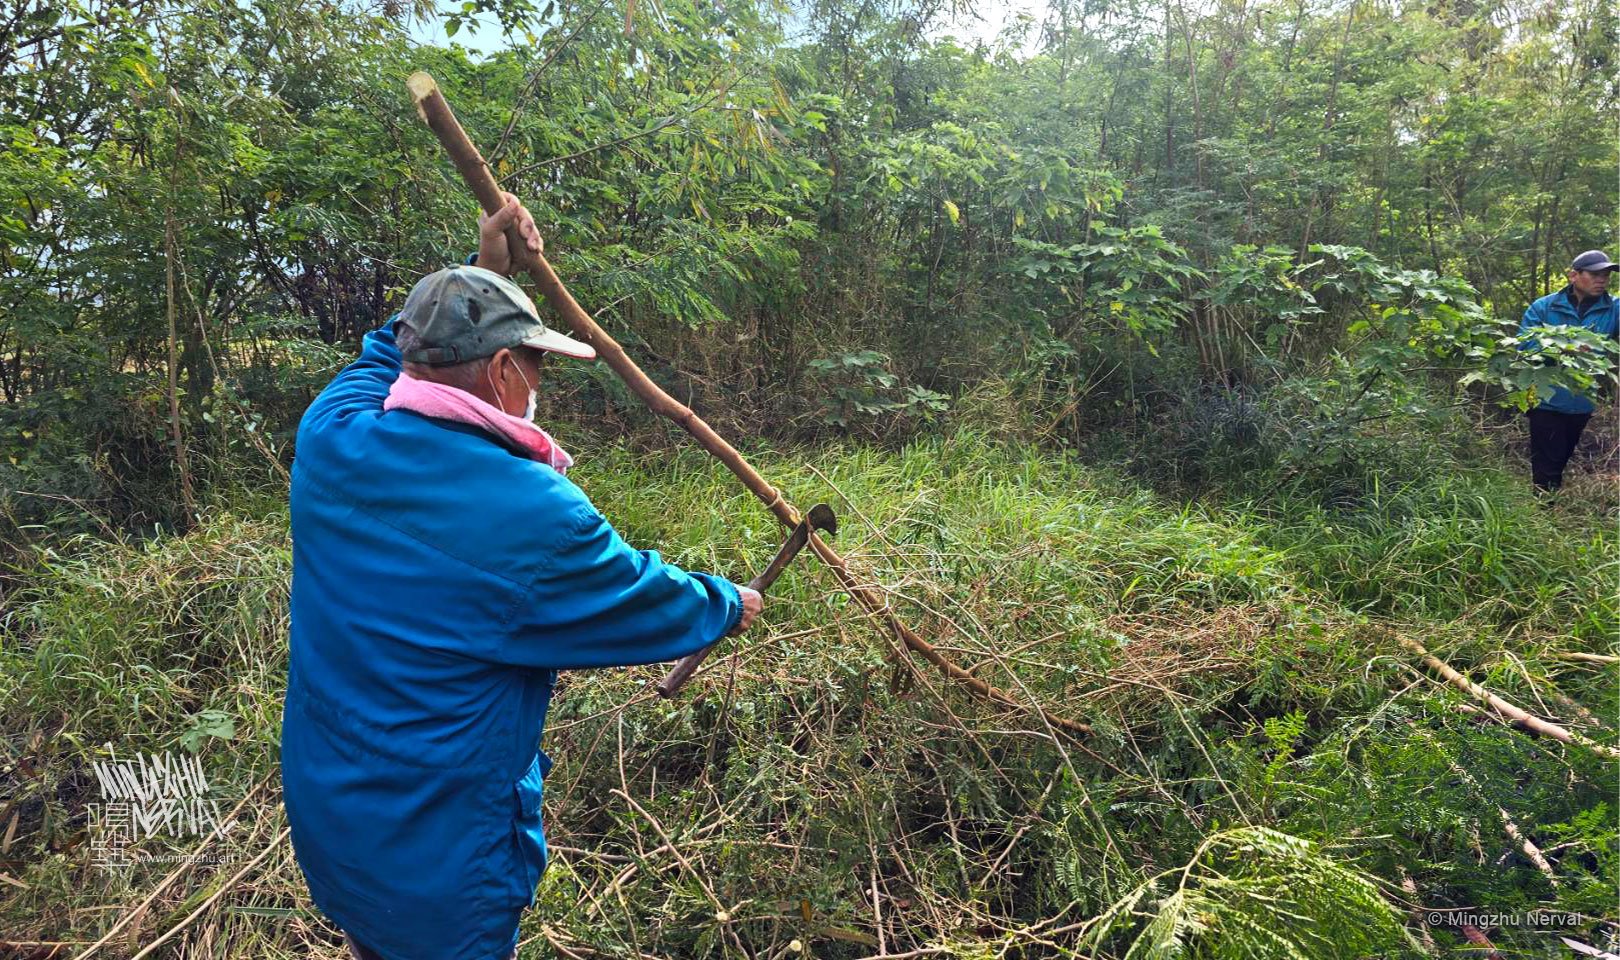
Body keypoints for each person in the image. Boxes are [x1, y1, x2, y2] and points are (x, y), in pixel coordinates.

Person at [279, 194, 763, 960]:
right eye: (536, 365)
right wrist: (727, 601)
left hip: (334, 821)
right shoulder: (532, 512)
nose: (541, 386)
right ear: (504, 370)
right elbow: (639, 596)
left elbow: (385, 360)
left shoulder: (331, 436)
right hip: (441, 865)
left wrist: (479, 272)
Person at [1517, 249, 1618, 492]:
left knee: (1560, 456)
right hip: (1544, 397)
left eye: (1605, 274)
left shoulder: (1613, 308)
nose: (1602, 279)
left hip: (1582, 399)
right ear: (1574, 276)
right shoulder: (1544, 307)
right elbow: (1525, 346)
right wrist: (1565, 349)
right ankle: (1543, 512)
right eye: (1594, 274)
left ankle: (1547, 503)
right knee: (1546, 463)